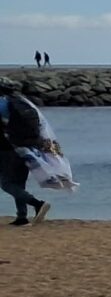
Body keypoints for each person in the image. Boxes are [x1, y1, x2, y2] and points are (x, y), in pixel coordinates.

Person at [2, 79, 67, 225]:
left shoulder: (2, 103)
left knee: (6, 183)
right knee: (19, 182)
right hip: (27, 147)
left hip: (7, 148)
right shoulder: (22, 102)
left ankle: (37, 204)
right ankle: (22, 217)